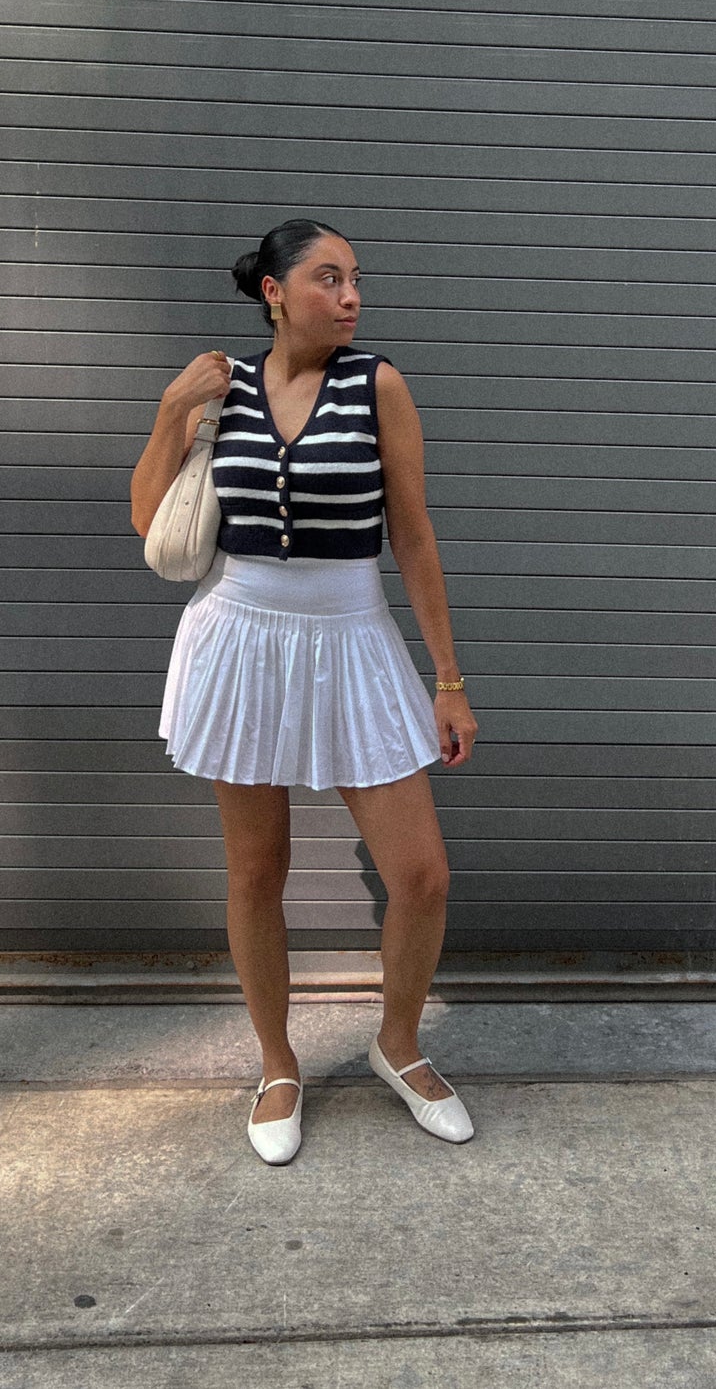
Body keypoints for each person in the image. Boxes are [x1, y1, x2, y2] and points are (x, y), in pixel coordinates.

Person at [130, 218, 479, 1164]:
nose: (352, 295)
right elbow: (147, 522)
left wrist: (446, 680)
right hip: (240, 637)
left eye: (356, 279)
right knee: (255, 873)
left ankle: (396, 1047)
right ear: (274, 292)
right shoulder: (220, 387)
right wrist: (172, 410)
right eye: (329, 278)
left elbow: (412, 537)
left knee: (420, 874)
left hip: (351, 636)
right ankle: (277, 1063)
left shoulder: (378, 386)